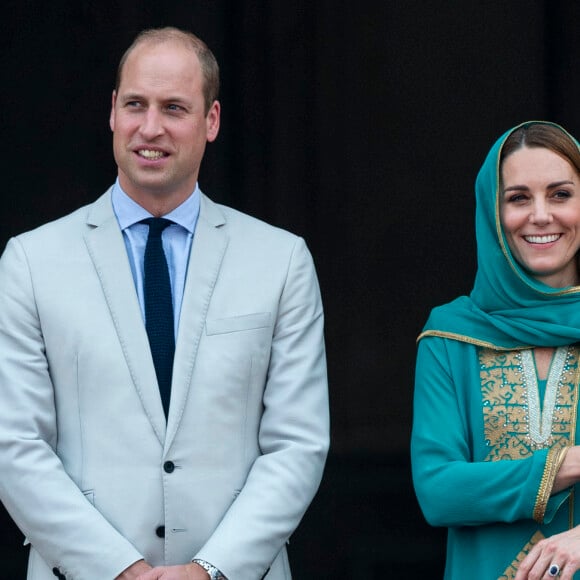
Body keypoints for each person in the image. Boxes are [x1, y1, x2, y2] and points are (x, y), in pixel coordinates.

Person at [0, 27, 329, 580]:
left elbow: (297, 445)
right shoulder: (30, 262)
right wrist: (120, 570)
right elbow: (15, 446)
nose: (150, 128)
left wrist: (207, 570)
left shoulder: (281, 260)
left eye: (174, 108)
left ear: (212, 120)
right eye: (136, 104)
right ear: (112, 111)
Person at [411, 120, 580, 579]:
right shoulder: (451, 336)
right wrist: (565, 464)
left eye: (561, 194)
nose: (541, 215)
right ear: (492, 211)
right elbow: (438, 489)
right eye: (519, 197)